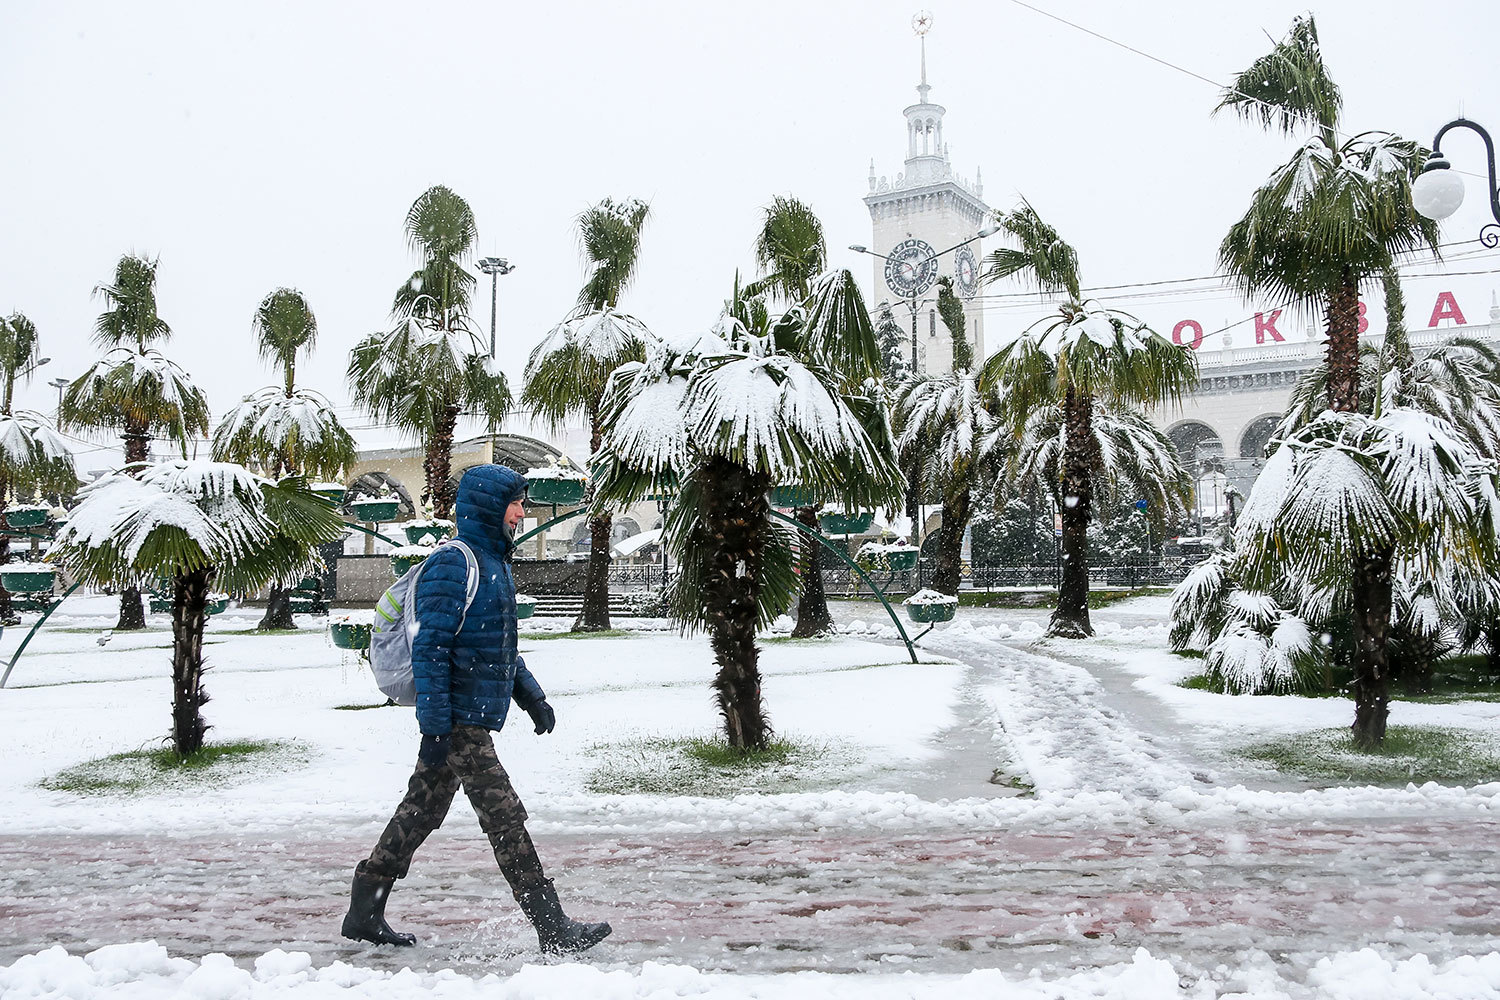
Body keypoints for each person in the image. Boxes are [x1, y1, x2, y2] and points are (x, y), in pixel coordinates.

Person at [341, 464, 611, 954]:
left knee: (421, 810)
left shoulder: (493, 562)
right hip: (459, 721)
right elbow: (431, 649)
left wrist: (532, 696)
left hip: (463, 717)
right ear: (490, 506)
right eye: (517, 502)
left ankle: (365, 910)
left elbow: (497, 647)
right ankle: (552, 926)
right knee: (505, 817)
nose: (522, 512)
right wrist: (437, 727)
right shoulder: (454, 563)